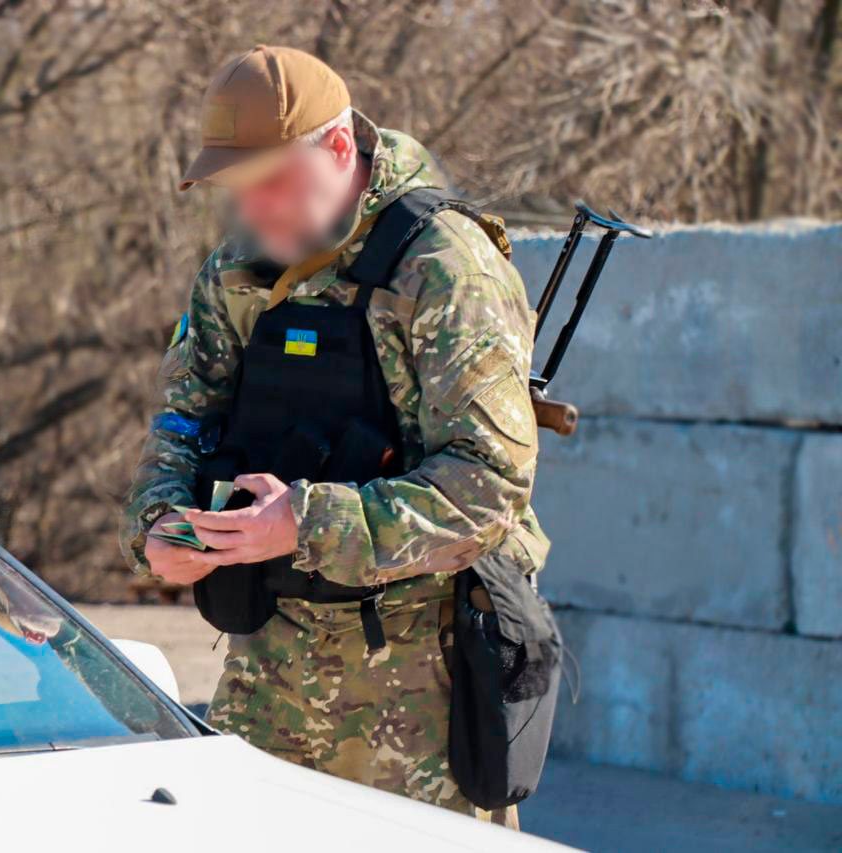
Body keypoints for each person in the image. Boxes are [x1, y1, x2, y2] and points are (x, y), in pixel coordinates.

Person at [120, 46, 549, 827]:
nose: (255, 213)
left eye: (272, 184)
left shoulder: (446, 269)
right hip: (267, 683)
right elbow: (185, 418)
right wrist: (157, 520)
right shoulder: (237, 271)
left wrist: (303, 523)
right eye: (237, 192)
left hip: (420, 700)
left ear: (340, 148)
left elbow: (490, 486)